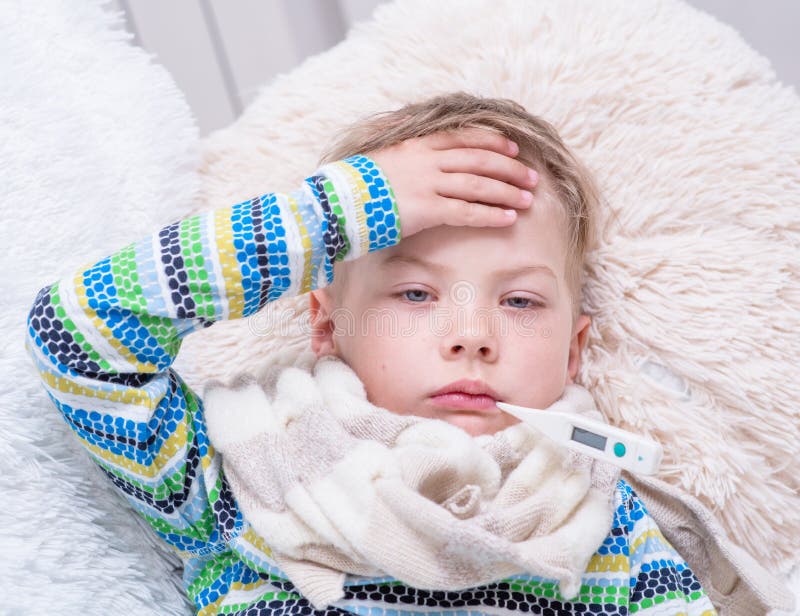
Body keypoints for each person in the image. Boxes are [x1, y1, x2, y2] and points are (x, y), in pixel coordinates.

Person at [25, 92, 717, 615]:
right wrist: (346, 210)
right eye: (415, 293)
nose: (472, 336)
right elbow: (78, 331)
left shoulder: (603, 518)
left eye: (521, 303)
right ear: (326, 327)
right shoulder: (235, 476)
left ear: (574, 353)